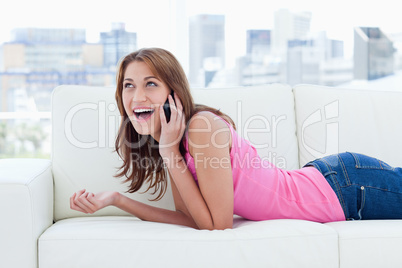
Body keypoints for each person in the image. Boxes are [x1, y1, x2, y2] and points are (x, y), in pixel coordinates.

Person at [70, 47, 402, 230]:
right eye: (129, 85)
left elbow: (217, 226)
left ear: (173, 93)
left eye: (150, 84)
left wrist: (169, 150)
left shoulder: (200, 128)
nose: (137, 96)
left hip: (344, 188)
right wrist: (116, 199)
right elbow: (191, 219)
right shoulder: (173, 143)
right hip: (332, 183)